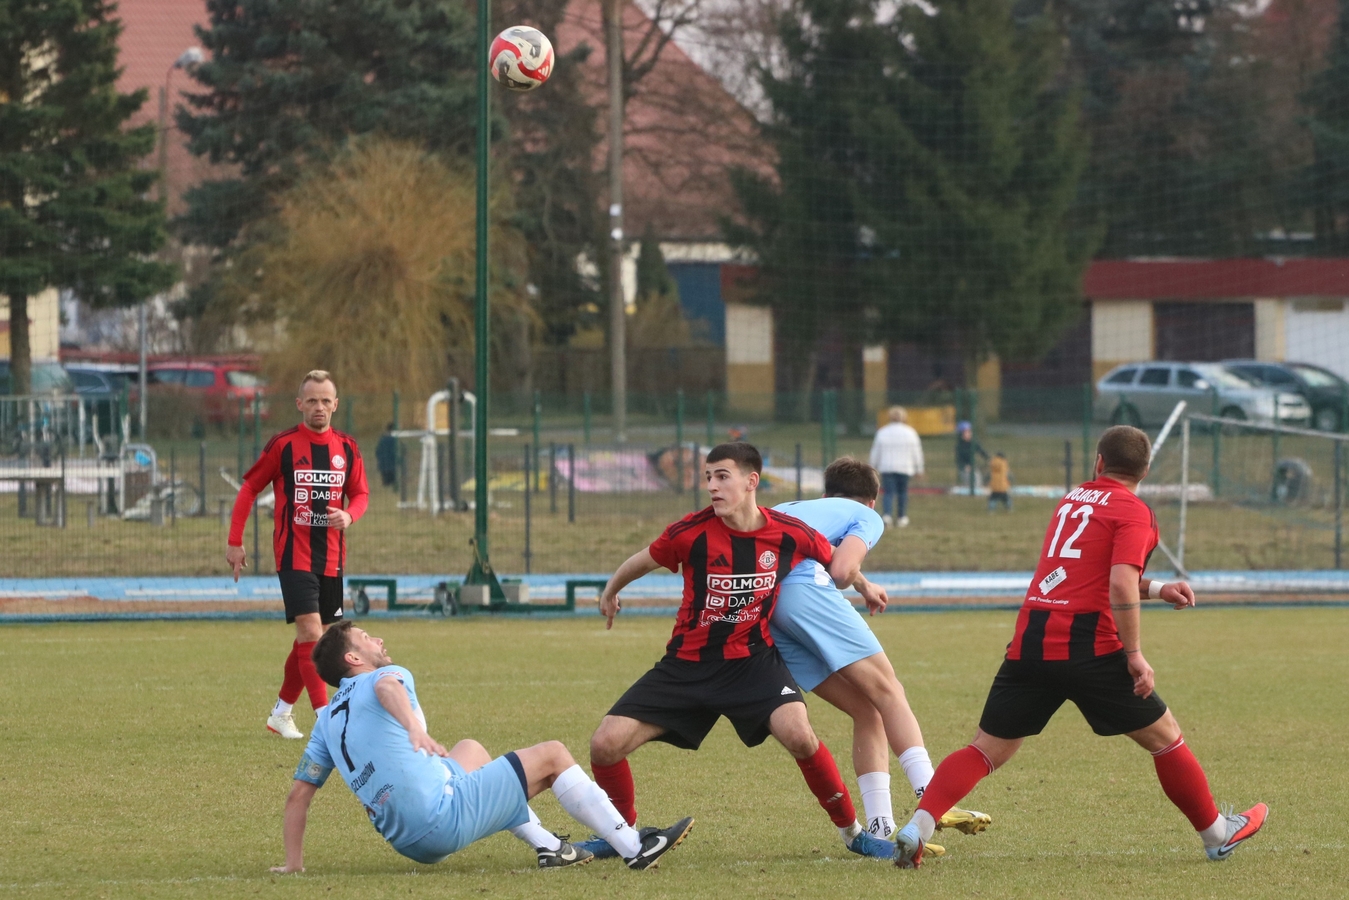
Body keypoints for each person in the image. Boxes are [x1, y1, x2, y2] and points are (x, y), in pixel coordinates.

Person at [893, 426, 1268, 868]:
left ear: (1099, 462)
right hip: (1089, 646)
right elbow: (1119, 582)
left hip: (1032, 639)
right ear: (1145, 471)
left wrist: (1158, 588)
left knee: (985, 749)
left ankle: (918, 828)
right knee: (1166, 738)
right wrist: (1134, 654)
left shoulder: (1071, 500)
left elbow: (1085, 574)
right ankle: (1216, 834)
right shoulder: (1135, 511)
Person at [579, 442, 900, 861]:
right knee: (604, 745)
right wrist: (610, 591)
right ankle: (619, 833)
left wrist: (865, 586)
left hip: (753, 663)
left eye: (722, 476)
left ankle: (854, 833)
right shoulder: (689, 533)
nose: (712, 486)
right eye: (708, 477)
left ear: (751, 482)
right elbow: (642, 560)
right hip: (687, 665)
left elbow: (835, 559)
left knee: (800, 736)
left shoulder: (788, 531)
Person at [271, 621, 693, 873]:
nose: (377, 639)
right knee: (553, 754)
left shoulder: (326, 720)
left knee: (470, 749)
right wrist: (412, 728)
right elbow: (387, 689)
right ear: (353, 659)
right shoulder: (385, 675)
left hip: (406, 840)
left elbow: (297, 796)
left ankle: (551, 849)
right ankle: (634, 849)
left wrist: (293, 864)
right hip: (440, 820)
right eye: (366, 637)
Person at [771, 456, 991, 849]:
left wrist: (864, 584)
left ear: (826, 494)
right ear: (872, 501)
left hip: (767, 613)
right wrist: (853, 580)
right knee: (889, 692)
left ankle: (880, 829)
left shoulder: (788, 508)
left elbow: (817, 552)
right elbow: (840, 570)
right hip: (806, 595)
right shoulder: (866, 515)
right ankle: (933, 797)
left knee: (866, 710)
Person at [226, 370, 369, 740]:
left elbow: (361, 494)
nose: (319, 406)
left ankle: (281, 712)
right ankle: (326, 719)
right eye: (312, 400)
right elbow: (249, 488)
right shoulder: (284, 445)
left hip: (332, 557)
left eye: (325, 400)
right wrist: (234, 541)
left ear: (335, 405)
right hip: (293, 554)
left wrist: (349, 515)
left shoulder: (347, 448)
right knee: (310, 631)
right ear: (299, 404)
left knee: (314, 639)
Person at [869, 406, 923, 527]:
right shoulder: (910, 432)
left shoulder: (882, 432)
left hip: (887, 467)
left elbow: (876, 451)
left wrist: (872, 466)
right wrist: (919, 468)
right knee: (902, 492)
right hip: (905, 468)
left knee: (888, 492)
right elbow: (917, 452)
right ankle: (902, 517)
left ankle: (887, 515)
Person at [955, 421, 988, 493]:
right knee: (971, 482)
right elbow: (959, 460)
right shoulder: (959, 446)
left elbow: (981, 451)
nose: (969, 434)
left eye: (969, 431)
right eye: (966, 432)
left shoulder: (973, 443)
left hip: (973, 467)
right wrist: (965, 466)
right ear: (961, 434)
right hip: (965, 469)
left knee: (978, 480)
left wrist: (988, 458)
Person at [375, 422, 398, 489]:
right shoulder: (393, 440)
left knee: (386, 482)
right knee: (391, 481)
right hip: (391, 464)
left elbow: (377, 451)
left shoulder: (382, 439)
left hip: (384, 464)